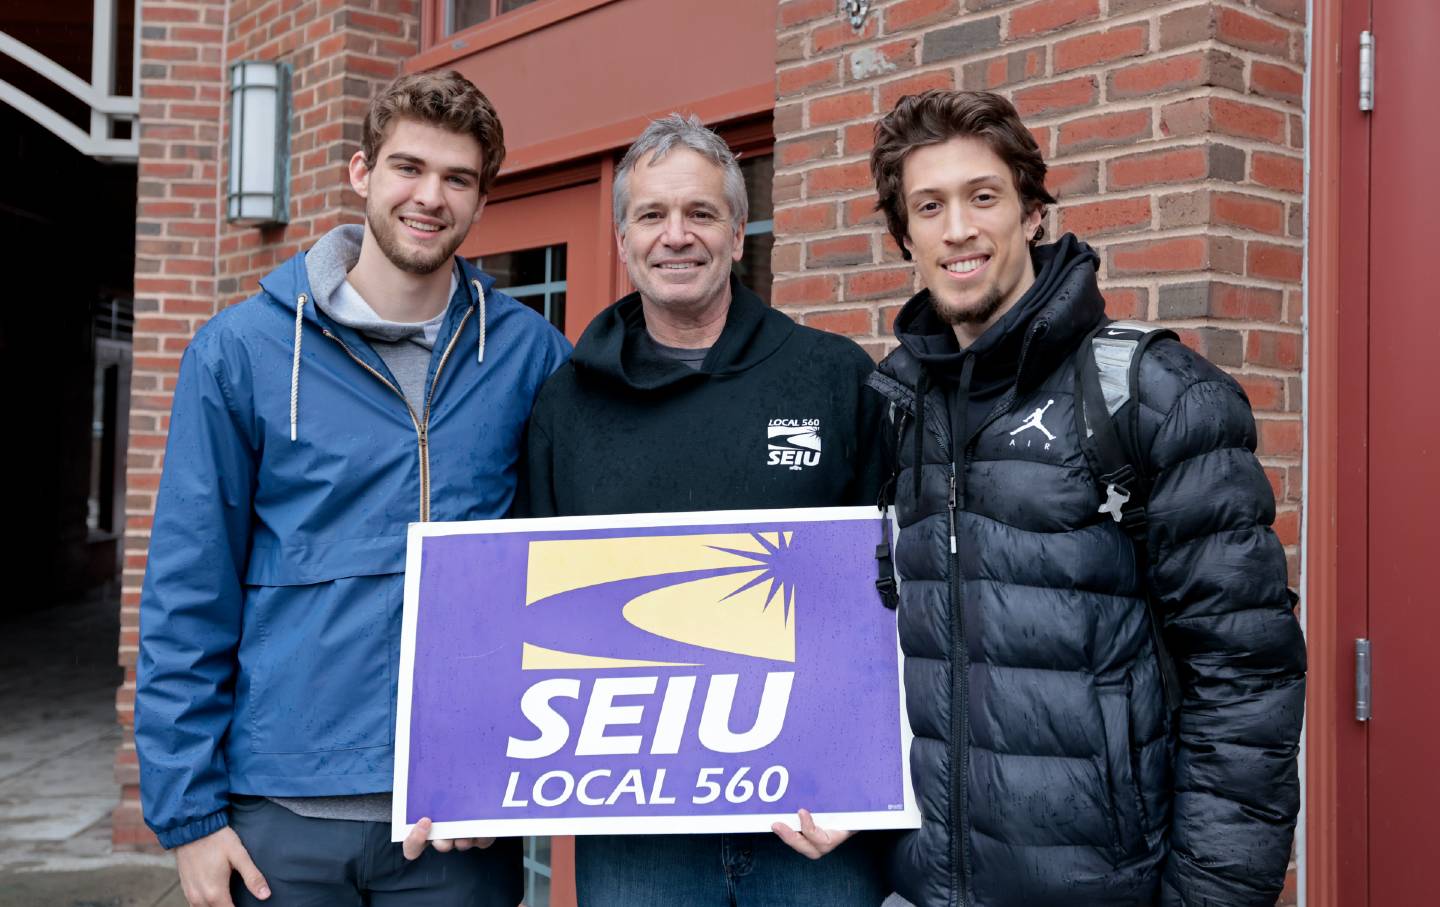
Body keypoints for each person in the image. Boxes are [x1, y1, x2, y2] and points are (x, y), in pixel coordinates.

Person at [135, 70, 571, 907]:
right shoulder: (242, 352)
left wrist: (500, 768)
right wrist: (189, 818)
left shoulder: (528, 356)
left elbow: (552, 573)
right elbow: (189, 591)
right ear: (360, 171)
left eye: (458, 178)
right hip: (280, 819)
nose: (430, 196)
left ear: (483, 200)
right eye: (408, 167)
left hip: (455, 821)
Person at [864, 89, 1306, 907]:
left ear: (1033, 213)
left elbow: (1247, 683)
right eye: (930, 206)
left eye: (983, 196)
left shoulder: (1154, 396)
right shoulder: (900, 410)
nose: (958, 227)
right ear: (906, 238)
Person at [518, 114, 890, 906]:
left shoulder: (833, 378)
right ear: (622, 241)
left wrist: (870, 775)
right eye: (652, 215)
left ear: (737, 232)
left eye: (700, 213)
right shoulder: (567, 405)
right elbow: (531, 601)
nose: (675, 236)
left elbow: (896, 587)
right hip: (638, 829)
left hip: (812, 815)